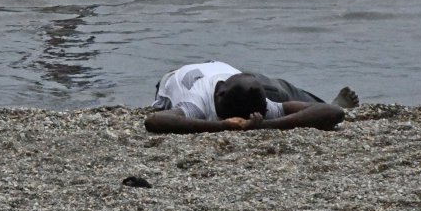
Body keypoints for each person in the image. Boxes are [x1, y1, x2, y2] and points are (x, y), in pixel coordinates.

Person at [145, 60, 359, 133]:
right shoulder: (197, 100)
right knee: (281, 92)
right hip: (180, 75)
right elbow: (155, 121)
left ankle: (316, 100)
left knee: (279, 89)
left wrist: (266, 126)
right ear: (218, 94)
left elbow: (334, 114)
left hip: (233, 76)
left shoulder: (260, 105)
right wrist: (222, 127)